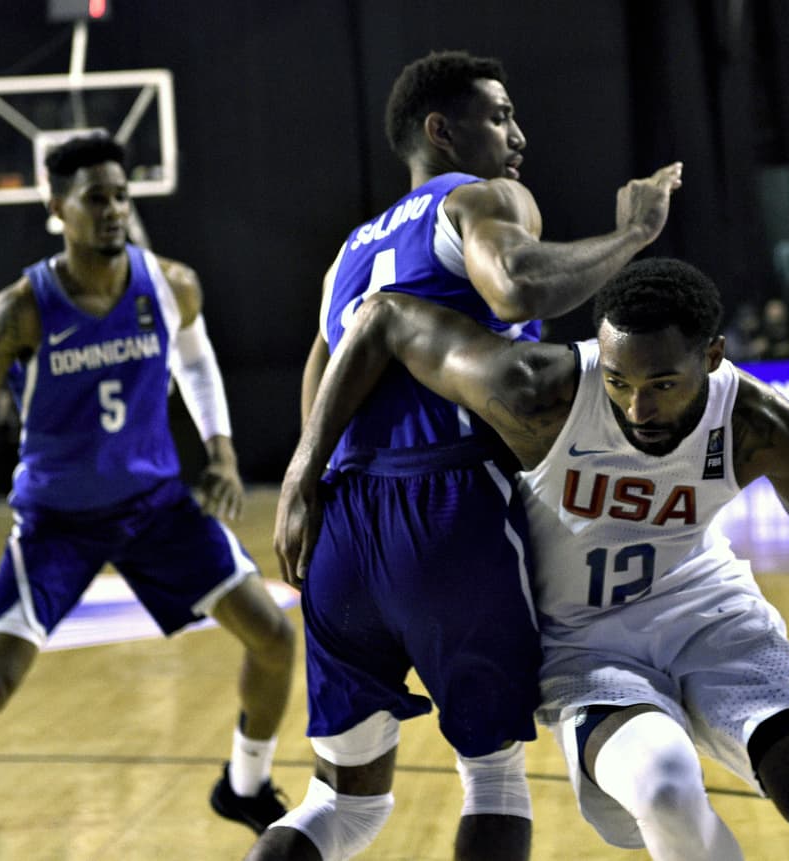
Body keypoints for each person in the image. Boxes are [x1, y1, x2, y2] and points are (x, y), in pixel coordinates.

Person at [279, 257, 789, 860]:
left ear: (713, 355)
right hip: (587, 648)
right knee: (666, 788)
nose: (637, 409)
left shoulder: (759, 423)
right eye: (619, 381)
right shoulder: (540, 393)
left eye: (662, 384)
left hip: (717, 625)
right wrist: (302, 472)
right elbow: (383, 319)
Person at [250, 50, 682, 861]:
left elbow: (322, 370)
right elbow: (515, 286)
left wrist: (304, 483)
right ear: (441, 131)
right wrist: (635, 233)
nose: (518, 134)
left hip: (342, 525)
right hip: (448, 506)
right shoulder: (484, 198)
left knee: (341, 805)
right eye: (501, 115)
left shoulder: (347, 253)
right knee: (493, 780)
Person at [0, 133, 296, 861]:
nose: (113, 210)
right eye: (95, 197)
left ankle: (244, 782)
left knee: (274, 635)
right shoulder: (19, 310)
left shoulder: (170, 283)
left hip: (154, 508)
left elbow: (197, 363)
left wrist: (223, 452)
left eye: (121, 195)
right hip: (56, 523)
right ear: (56, 207)